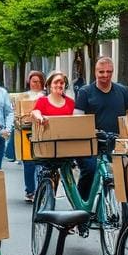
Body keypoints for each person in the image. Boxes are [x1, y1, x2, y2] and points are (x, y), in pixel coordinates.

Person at [74, 56, 128, 199]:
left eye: (109, 71)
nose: (105, 75)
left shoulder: (123, 91)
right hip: (90, 143)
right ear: (95, 72)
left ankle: (119, 208)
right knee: (90, 170)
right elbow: (77, 119)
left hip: (116, 142)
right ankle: (81, 208)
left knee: (124, 173)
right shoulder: (85, 92)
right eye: (101, 72)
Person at [28, 71, 77, 202]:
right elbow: (35, 112)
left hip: (65, 145)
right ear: (49, 85)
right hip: (48, 145)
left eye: (62, 82)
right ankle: (43, 199)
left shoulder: (70, 103)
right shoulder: (43, 101)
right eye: (56, 82)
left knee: (68, 176)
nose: (59, 85)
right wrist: (40, 117)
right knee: (46, 175)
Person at [8, 69, 45, 167]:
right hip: (26, 132)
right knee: (29, 163)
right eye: (34, 81)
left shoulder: (47, 97)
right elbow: (16, 115)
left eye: (39, 81)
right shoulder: (22, 97)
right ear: (29, 82)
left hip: (43, 132)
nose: (37, 84)